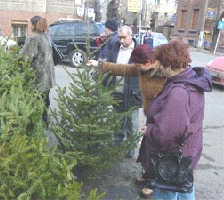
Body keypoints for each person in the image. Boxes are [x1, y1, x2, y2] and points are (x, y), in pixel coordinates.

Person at [137, 40, 212, 199]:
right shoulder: (192, 80)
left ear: (169, 66)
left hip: (171, 160)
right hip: (188, 151)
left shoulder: (178, 92)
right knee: (184, 188)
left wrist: (150, 130)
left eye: (160, 64)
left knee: (167, 192)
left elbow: (168, 134)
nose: (158, 67)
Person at [98, 44, 166, 197]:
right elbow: (122, 69)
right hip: (151, 116)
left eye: (138, 64)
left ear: (148, 62)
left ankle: (154, 183)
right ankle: (147, 174)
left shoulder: (164, 74)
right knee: (146, 149)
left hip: (163, 119)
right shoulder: (142, 69)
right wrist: (101, 65)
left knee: (157, 152)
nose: (136, 67)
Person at [91, 25, 141, 157]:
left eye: (124, 37)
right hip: (116, 91)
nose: (122, 40)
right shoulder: (114, 48)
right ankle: (117, 144)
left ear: (131, 36)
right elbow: (107, 63)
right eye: (120, 37)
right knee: (118, 120)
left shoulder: (139, 50)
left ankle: (130, 147)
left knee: (132, 122)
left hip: (133, 93)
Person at [21, 16, 55, 125]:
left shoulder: (34, 38)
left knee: (37, 99)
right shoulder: (46, 37)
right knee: (45, 98)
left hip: (38, 76)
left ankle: (37, 123)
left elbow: (25, 57)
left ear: (34, 25)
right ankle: (45, 120)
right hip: (48, 75)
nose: (29, 26)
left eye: (30, 24)